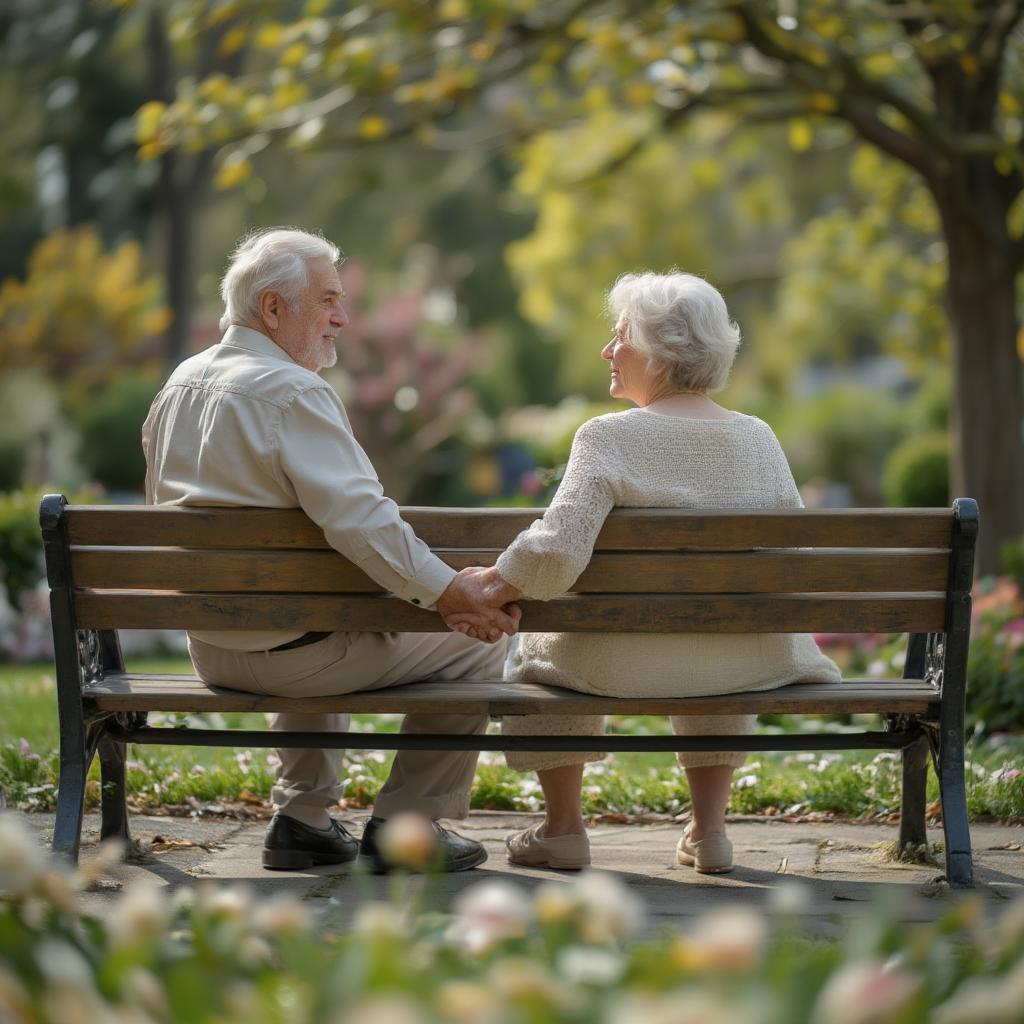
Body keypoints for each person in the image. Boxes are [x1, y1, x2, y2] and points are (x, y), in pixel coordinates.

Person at [142, 227, 519, 874]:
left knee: (310, 615)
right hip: (297, 657)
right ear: (272, 308)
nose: (343, 318)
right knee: (478, 639)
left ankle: (304, 820)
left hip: (212, 649)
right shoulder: (294, 393)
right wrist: (451, 591)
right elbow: (365, 523)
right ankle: (407, 827)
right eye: (327, 300)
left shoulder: (180, 383)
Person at [447, 271, 841, 873]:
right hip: (742, 663)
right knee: (717, 631)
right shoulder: (759, 439)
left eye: (620, 335)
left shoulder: (606, 438)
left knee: (540, 639)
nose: (608, 350)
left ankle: (563, 829)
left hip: (606, 666)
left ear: (660, 351)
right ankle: (710, 833)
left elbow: (555, 553)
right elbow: (796, 561)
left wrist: (494, 585)